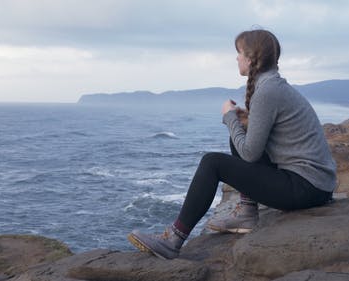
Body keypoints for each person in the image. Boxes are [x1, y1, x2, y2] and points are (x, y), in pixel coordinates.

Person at [127, 29, 337, 259]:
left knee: (212, 163)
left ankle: (172, 240)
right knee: (237, 136)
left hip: (306, 188)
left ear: (250, 57)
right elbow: (254, 143)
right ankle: (247, 212)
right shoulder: (272, 86)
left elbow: (249, 154)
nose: (236, 58)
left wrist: (229, 117)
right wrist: (243, 120)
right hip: (316, 185)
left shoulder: (267, 91)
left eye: (238, 53)